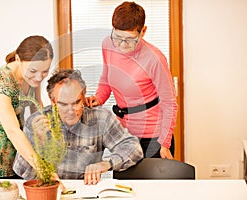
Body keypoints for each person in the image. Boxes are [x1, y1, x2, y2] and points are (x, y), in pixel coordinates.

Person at [13, 69, 143, 185]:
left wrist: (107, 164)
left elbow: (133, 148)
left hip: (87, 190)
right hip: (50, 191)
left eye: (76, 102)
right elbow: (21, 170)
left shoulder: (101, 118)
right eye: (63, 104)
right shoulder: (36, 122)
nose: (71, 111)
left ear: (83, 97)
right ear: (52, 101)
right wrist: (38, 142)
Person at [86, 2, 178, 159]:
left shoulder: (154, 59)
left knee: (151, 184)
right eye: (117, 37)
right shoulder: (107, 44)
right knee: (123, 183)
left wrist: (164, 144)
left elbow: (170, 103)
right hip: (123, 134)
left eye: (129, 39)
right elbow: (106, 78)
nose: (122, 44)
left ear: (143, 32)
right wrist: (99, 98)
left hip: (153, 137)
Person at [0, 35, 54, 178]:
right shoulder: (0, 82)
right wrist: (41, 168)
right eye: (33, 71)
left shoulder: (33, 77)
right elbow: (12, 130)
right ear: (17, 60)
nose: (39, 77)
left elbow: (37, 106)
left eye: (45, 71)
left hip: (21, 154)